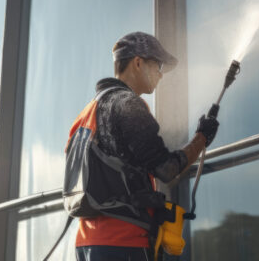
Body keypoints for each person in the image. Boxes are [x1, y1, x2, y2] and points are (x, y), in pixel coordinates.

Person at [73, 31, 220, 261]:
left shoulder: (86, 113)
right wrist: (202, 138)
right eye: (158, 66)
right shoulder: (127, 104)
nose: (161, 75)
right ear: (138, 62)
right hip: (124, 242)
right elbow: (166, 169)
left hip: (87, 242)